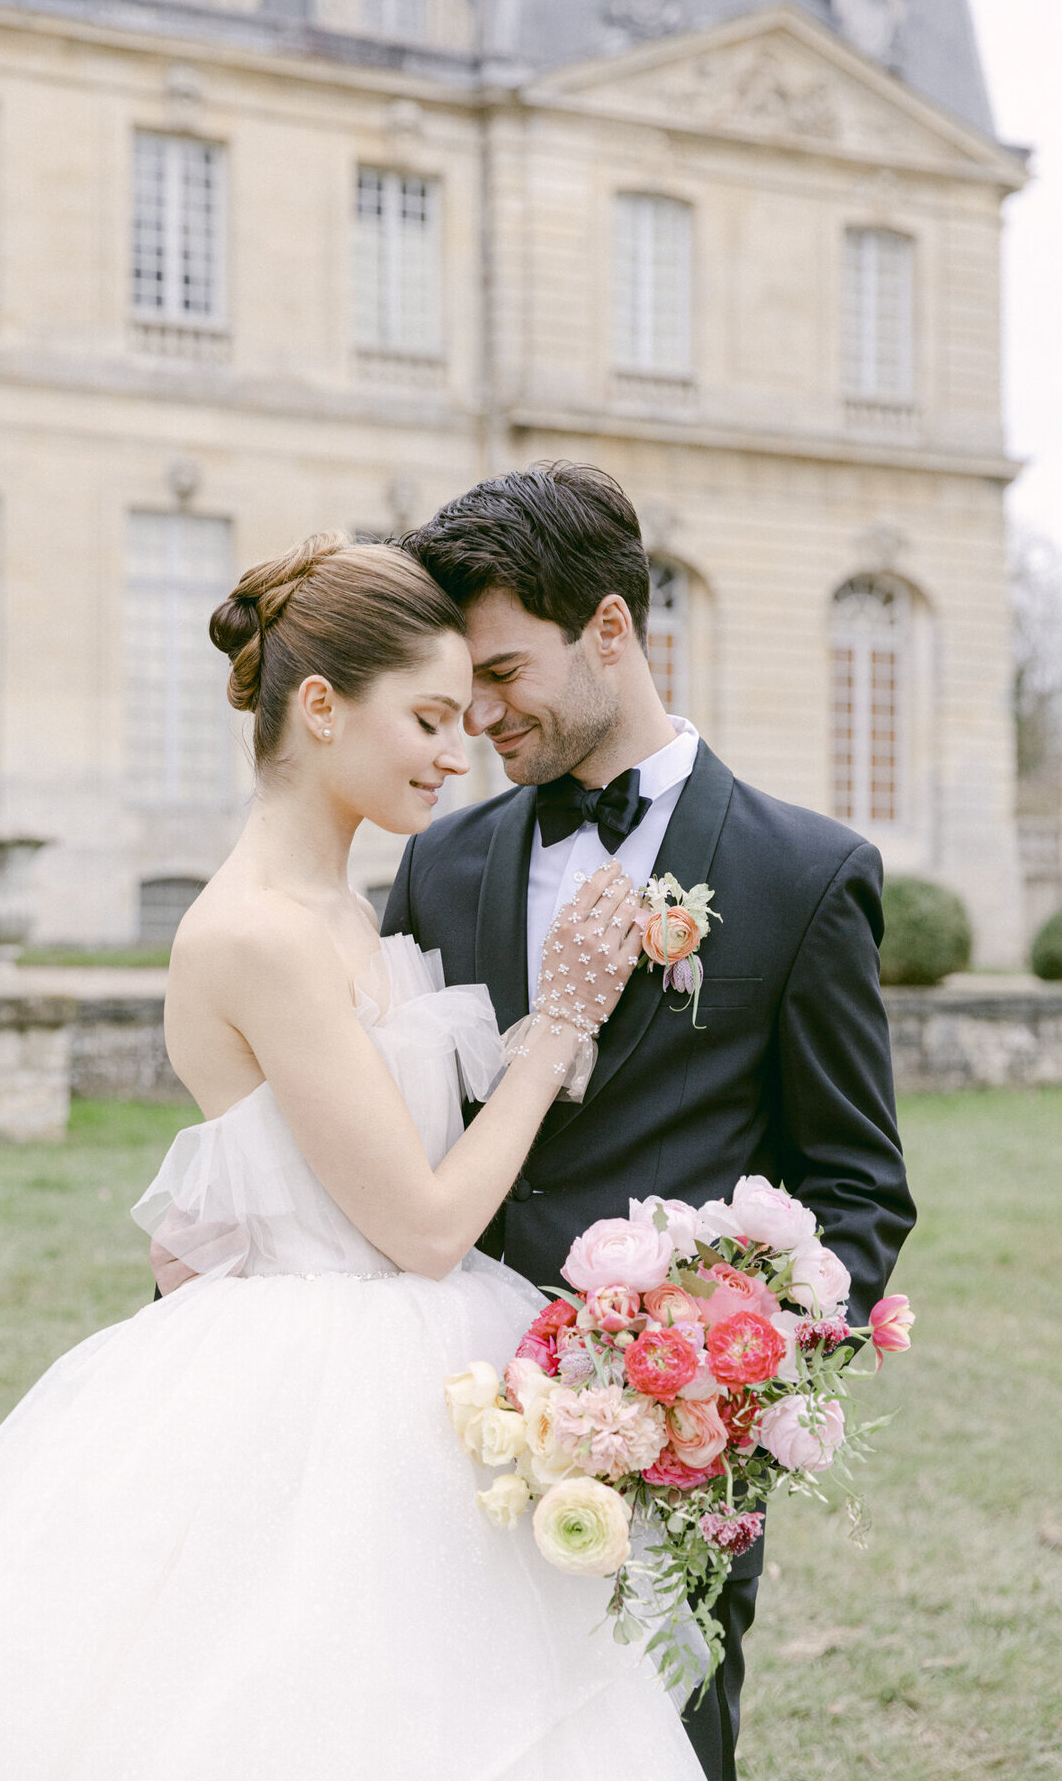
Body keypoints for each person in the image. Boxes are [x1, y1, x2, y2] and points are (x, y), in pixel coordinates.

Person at [0, 532, 708, 1780]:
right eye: (428, 716)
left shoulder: (346, 906)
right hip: (328, 1395)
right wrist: (562, 1027)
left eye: (468, 713)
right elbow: (424, 1230)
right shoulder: (261, 933)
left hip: (426, 1362)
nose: (458, 746)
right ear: (319, 707)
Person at [387, 461, 918, 1781]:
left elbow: (856, 1189)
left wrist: (725, 1401)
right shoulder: (438, 865)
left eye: (504, 672)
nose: (479, 715)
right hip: (440, 1422)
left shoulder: (803, 877)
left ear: (610, 630)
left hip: (672, 1466)